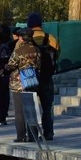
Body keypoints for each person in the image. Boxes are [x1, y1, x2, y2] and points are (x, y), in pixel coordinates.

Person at [4, 28, 41, 142]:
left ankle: (21, 136)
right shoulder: (36, 50)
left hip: (18, 84)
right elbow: (39, 65)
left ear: (21, 38)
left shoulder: (18, 51)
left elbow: (11, 65)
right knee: (31, 110)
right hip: (32, 83)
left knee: (19, 111)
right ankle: (33, 135)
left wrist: (5, 67)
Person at [27, 12, 59, 140]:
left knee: (32, 107)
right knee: (47, 107)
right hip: (47, 78)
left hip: (31, 78)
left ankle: (32, 134)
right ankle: (49, 133)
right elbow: (57, 54)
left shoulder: (26, 38)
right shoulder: (50, 38)